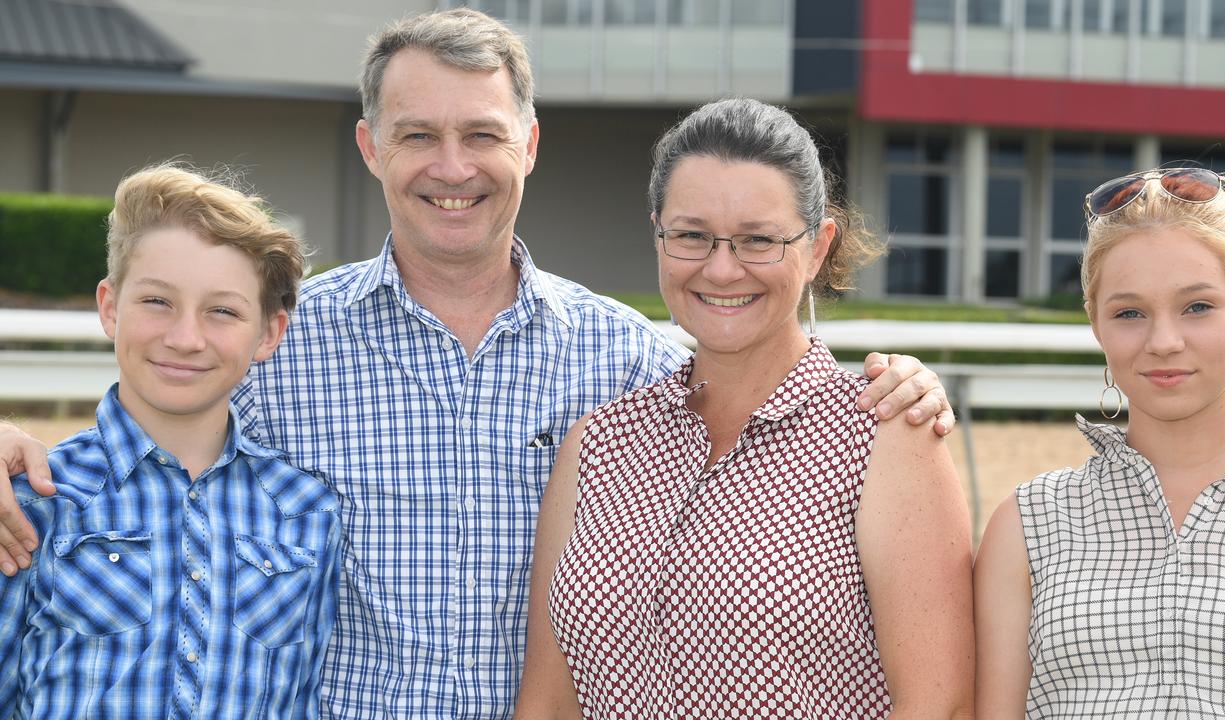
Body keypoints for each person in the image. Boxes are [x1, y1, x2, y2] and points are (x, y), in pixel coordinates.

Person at [0, 10, 956, 718]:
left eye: (483, 135)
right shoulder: (279, 346)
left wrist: (903, 383)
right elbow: (159, 425)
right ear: (372, 147)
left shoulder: (630, 360)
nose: (451, 167)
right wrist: (11, 460)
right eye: (419, 134)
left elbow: (756, 348)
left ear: (529, 145)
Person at [515, 98, 975, 719]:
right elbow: (547, 706)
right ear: (658, 236)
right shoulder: (596, 446)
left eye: (759, 240)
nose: (722, 268)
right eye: (691, 235)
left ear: (817, 248)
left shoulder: (886, 438)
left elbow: (937, 707)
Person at [0, 165, 342, 717]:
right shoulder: (35, 499)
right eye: (157, 301)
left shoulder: (307, 510)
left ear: (268, 334)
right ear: (110, 307)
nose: (185, 338)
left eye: (223, 311)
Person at [975, 167, 1225, 718]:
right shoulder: (1027, 524)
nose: (1164, 342)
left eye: (1198, 307)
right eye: (1130, 313)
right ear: (1096, 323)